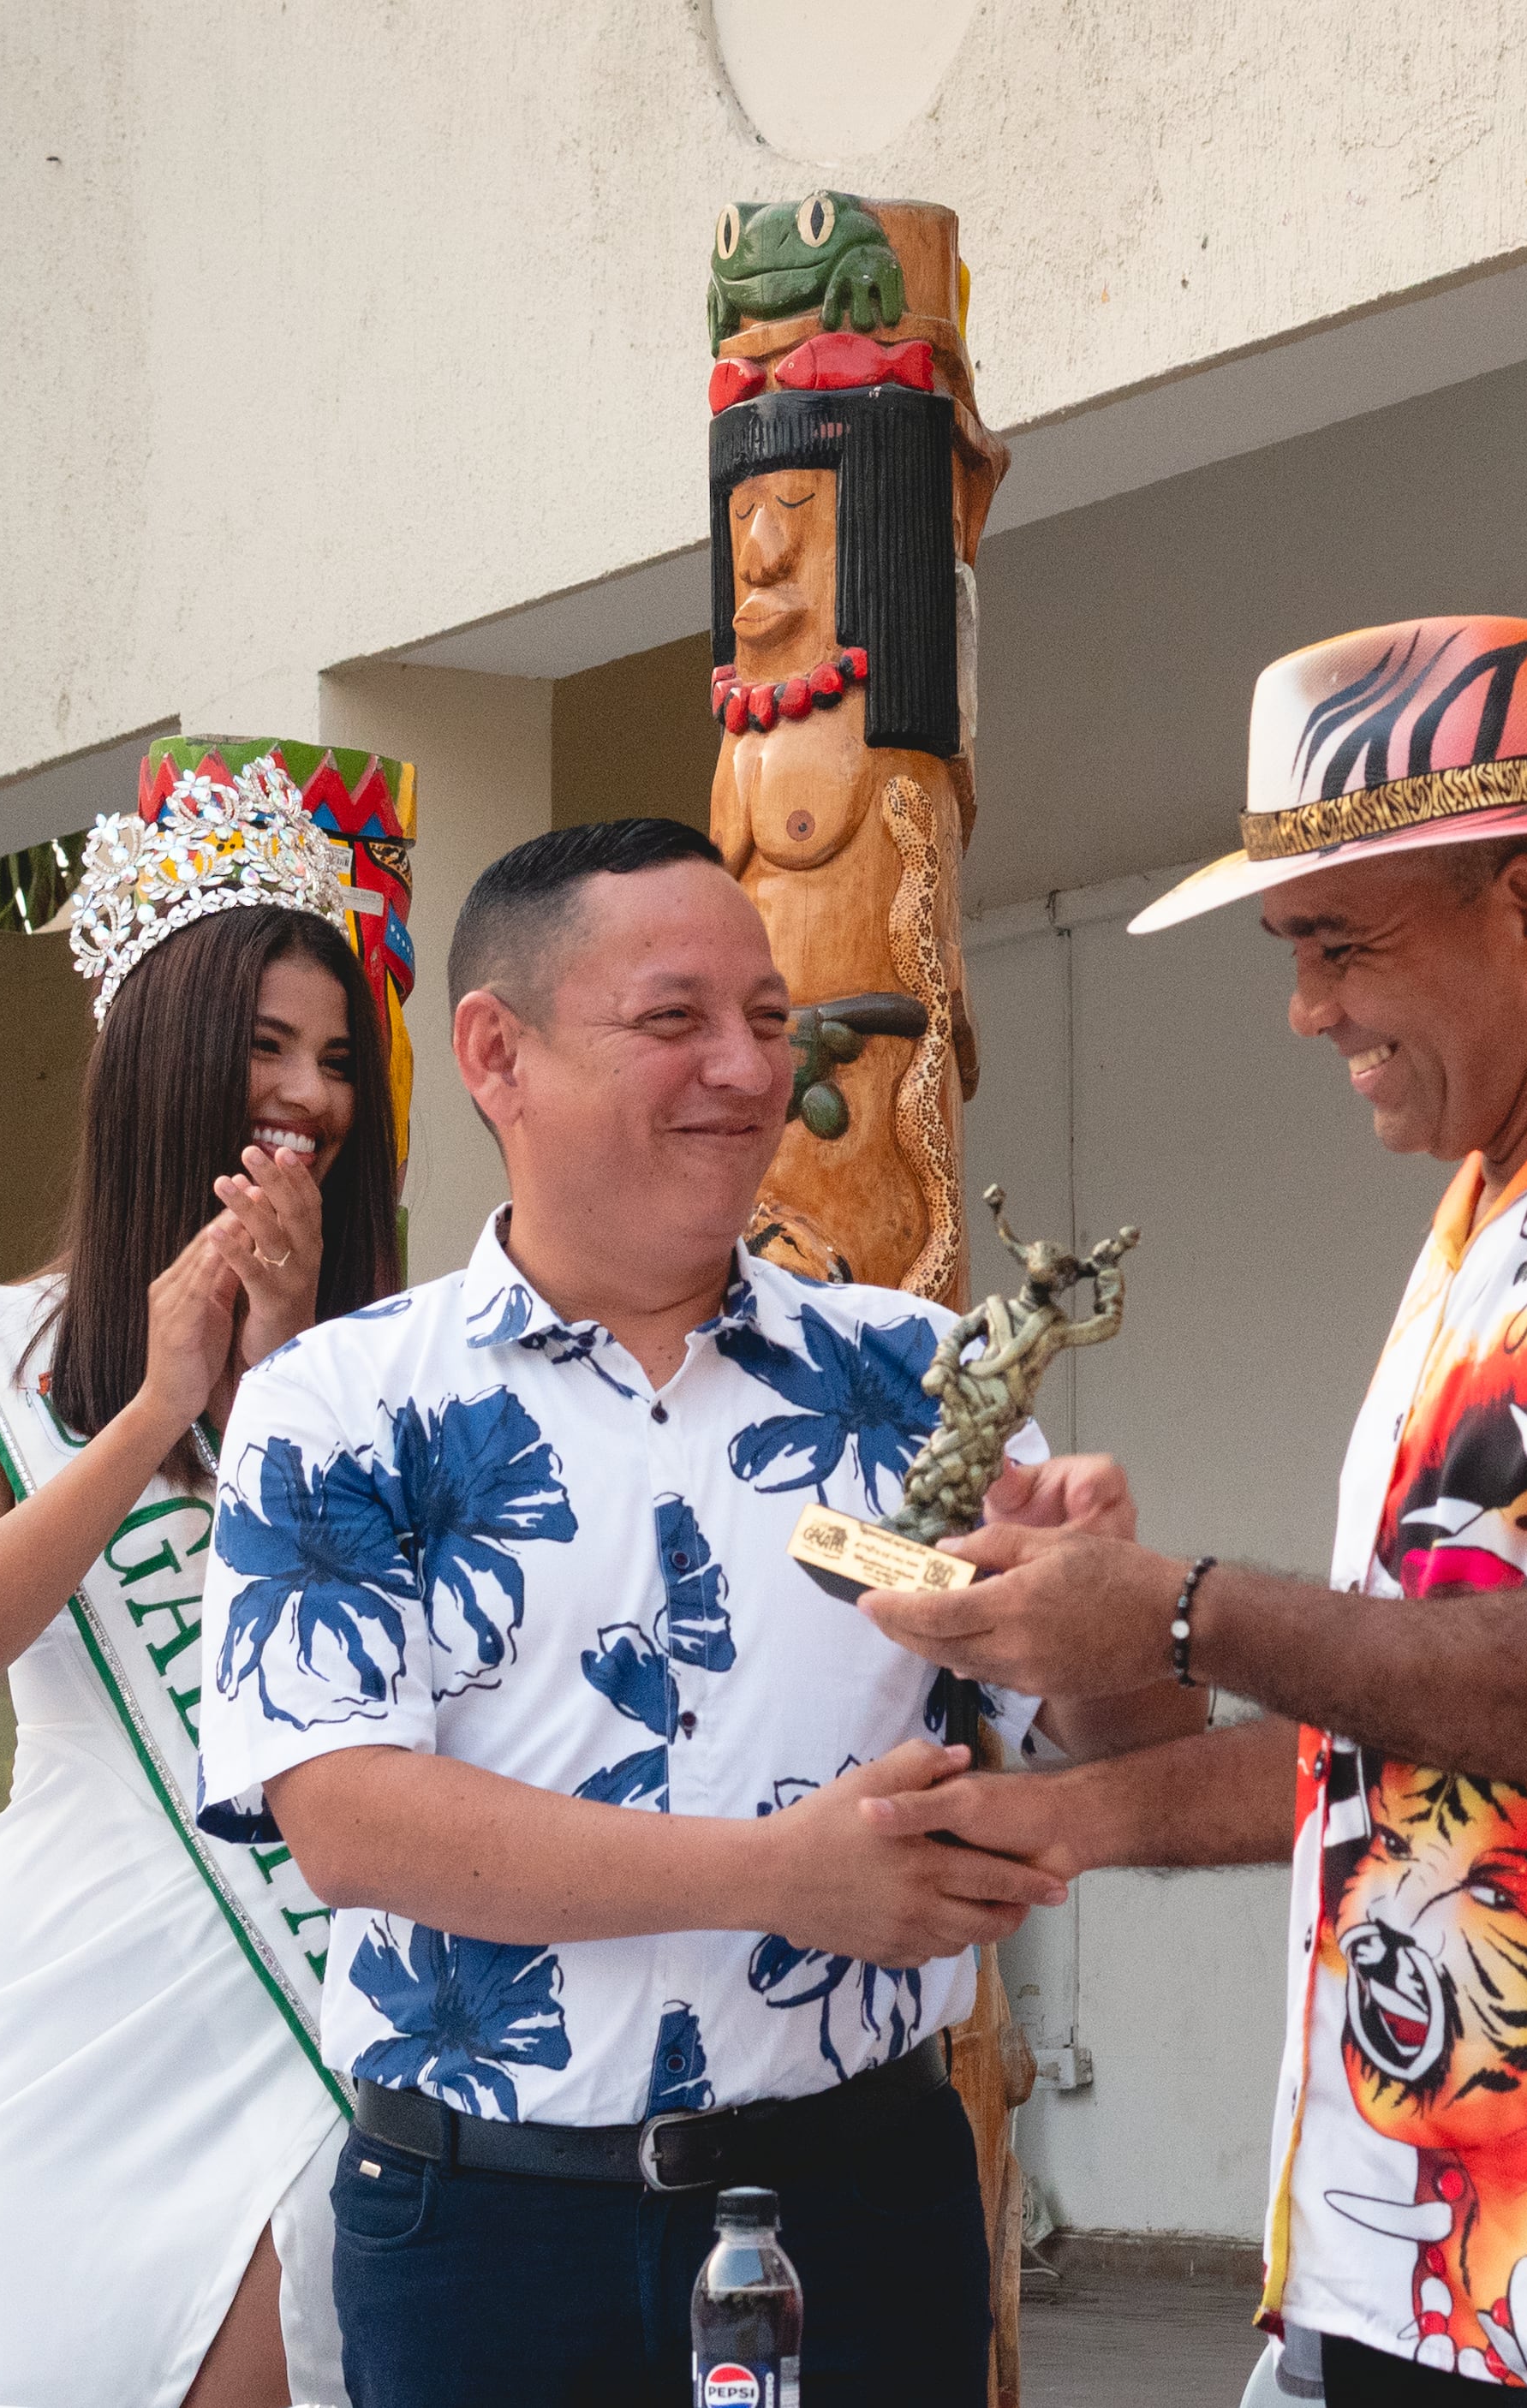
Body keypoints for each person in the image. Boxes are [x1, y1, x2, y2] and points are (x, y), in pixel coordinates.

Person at [845, 617, 1527, 2407]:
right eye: (1291, 953)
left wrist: (1179, 1605)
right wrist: (1047, 1821)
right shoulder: (1505, 1202)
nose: (1307, 1011)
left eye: (1337, 946)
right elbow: (1419, 1736)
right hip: (1429, 2269)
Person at [191, 814, 1190, 2408]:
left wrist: (1117, 1620)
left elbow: (1127, 1749)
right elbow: (348, 1820)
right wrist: (785, 1880)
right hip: (481, 2226)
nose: (748, 1071)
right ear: (494, 1053)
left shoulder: (923, 1382)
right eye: (675, 1021)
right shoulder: (341, 1404)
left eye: (768, 1020)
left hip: (861, 2199)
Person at [0, 740, 415, 2408]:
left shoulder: (396, 1366)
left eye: (335, 1055)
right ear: (167, 1058)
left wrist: (284, 1380)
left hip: (310, 1979)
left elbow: (397, 1660)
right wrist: (157, 1409)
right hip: (80, 1991)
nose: (311, 1090)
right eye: (266, 1044)